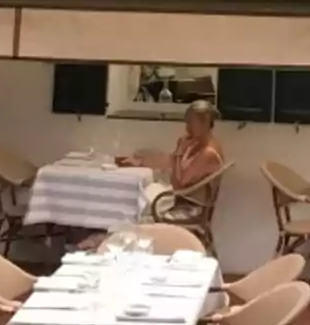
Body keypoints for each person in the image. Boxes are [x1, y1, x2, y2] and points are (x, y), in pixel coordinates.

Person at [79, 101, 224, 250]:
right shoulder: (193, 144)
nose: (187, 128)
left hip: (188, 207)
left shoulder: (209, 153)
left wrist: (180, 151)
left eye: (191, 123)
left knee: (139, 210)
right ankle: (104, 242)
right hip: (180, 199)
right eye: (186, 122)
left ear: (205, 123)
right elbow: (171, 162)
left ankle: (105, 244)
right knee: (138, 201)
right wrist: (140, 162)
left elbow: (180, 182)